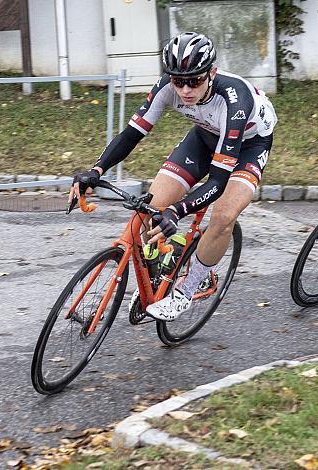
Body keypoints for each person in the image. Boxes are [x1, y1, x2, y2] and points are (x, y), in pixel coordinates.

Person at [70, 32, 277, 321]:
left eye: (194, 80)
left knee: (224, 216)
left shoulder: (234, 99)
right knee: (150, 204)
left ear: (212, 73)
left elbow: (217, 182)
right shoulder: (167, 86)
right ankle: (158, 272)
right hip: (205, 137)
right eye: (179, 81)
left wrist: (177, 211)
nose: (185, 90)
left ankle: (188, 288)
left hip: (248, 145)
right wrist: (95, 171)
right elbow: (132, 133)